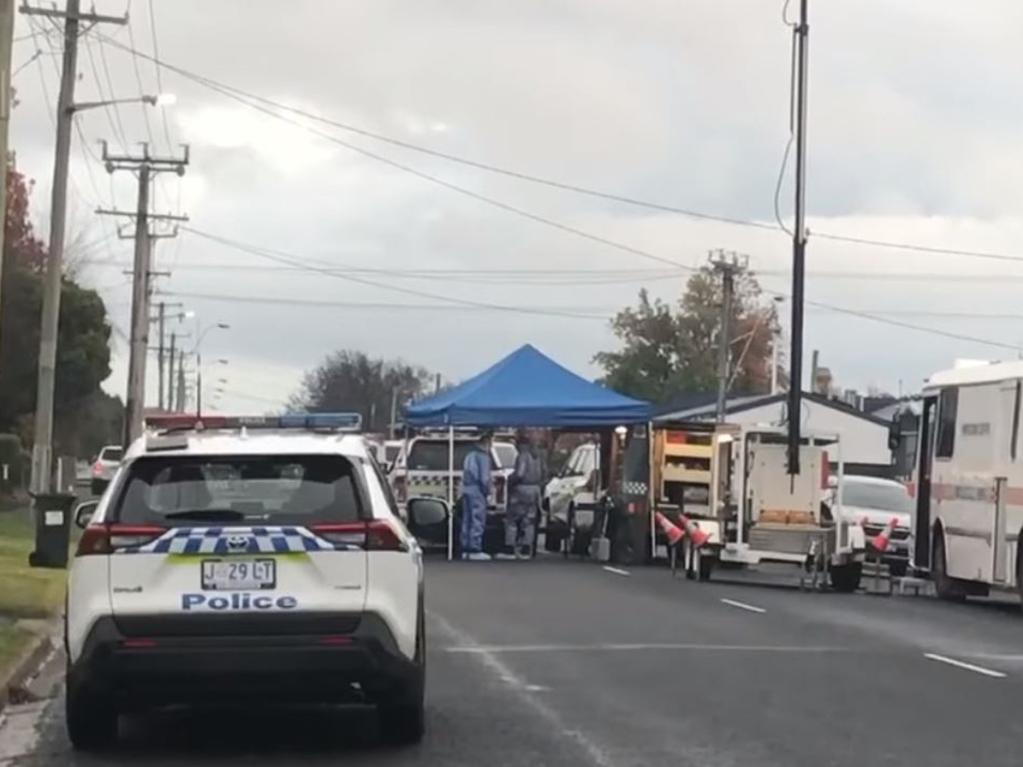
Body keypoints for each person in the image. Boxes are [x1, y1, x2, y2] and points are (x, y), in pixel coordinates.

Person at [499, 430, 545, 560]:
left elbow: (520, 473)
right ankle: (526, 549)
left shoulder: (523, 456)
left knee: (512, 520)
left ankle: (509, 549)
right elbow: (545, 474)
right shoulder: (539, 456)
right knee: (529, 521)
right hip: (535, 491)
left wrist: (510, 480)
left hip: (521, 491)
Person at [460, 431, 493, 561]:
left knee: (467, 519)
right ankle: (475, 548)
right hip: (477, 491)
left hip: (466, 489)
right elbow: (484, 478)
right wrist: (488, 492)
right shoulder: (483, 457)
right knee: (477, 519)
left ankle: (466, 548)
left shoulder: (470, 454)